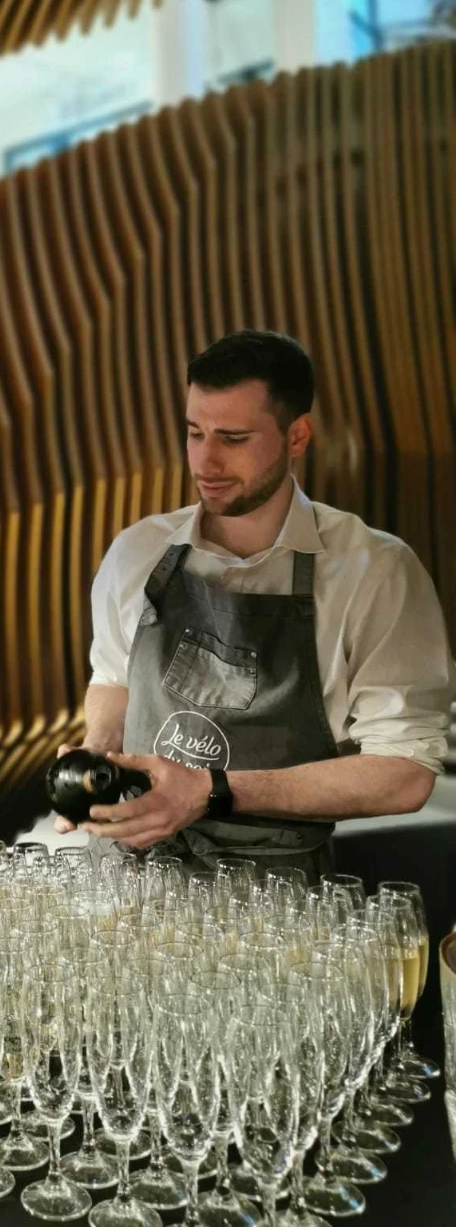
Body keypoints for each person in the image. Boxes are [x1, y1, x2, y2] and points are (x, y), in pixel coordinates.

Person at [55, 330, 453, 880]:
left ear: (297, 436)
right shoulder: (138, 552)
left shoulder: (375, 573)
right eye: (194, 433)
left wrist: (210, 791)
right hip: (128, 882)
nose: (206, 461)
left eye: (234, 438)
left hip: (278, 897)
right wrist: (98, 752)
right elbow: (114, 678)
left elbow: (406, 773)